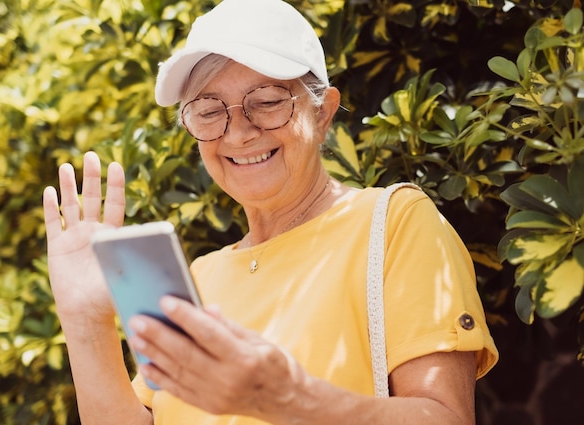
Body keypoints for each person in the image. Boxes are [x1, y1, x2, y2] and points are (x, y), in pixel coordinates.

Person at [43, 0, 498, 424]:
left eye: (266, 102)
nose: (238, 133)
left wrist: (288, 398)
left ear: (323, 114)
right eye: (207, 110)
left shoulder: (396, 221)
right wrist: (86, 324)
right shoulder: (199, 276)